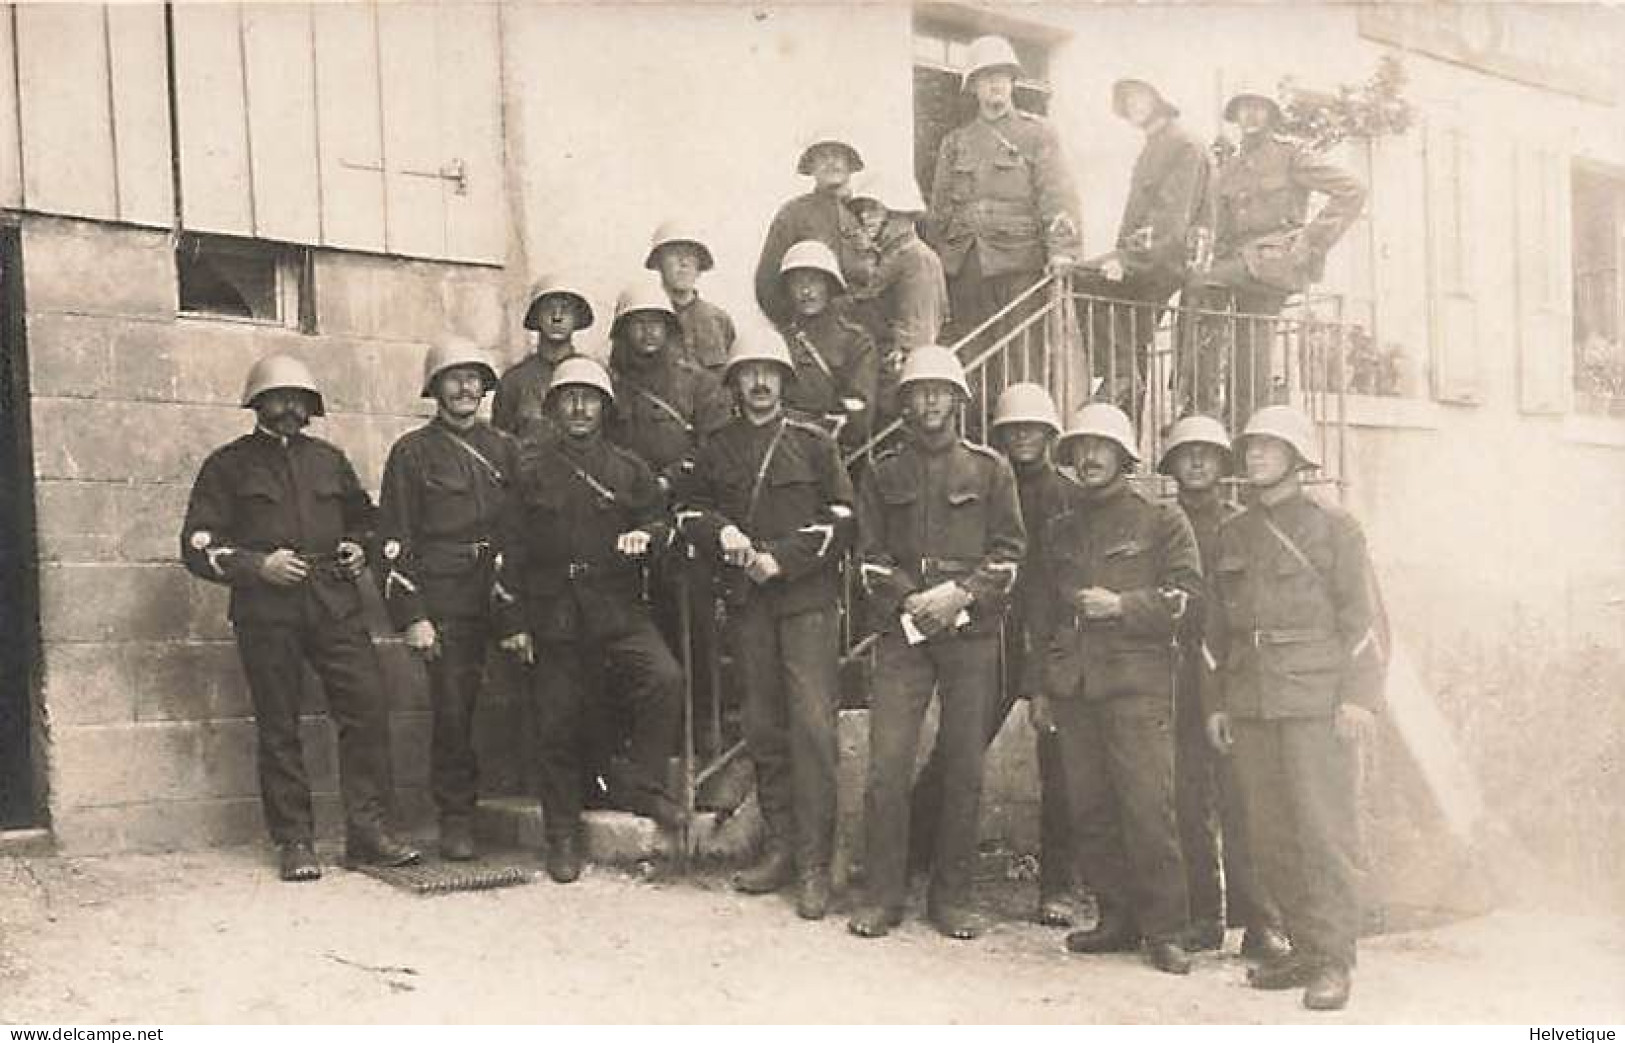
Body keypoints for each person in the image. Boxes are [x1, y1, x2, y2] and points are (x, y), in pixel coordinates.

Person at [180, 355, 419, 881]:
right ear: (257, 402)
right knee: (279, 723)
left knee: (368, 710)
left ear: (311, 407)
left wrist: (359, 546)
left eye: (299, 400)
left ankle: (368, 834)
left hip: (334, 603)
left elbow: (364, 518)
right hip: (267, 613)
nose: (290, 408)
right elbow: (197, 547)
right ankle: (294, 841)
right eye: (278, 398)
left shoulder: (329, 460)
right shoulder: (228, 465)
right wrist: (256, 565)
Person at [1203, 404, 1387, 1011]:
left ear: (1296, 459)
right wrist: (1219, 704)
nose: (1255, 455)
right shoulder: (1232, 532)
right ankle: (1304, 949)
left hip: (1315, 701)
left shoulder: (1336, 528)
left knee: (1323, 831)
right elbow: (1214, 634)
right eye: (1251, 446)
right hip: (1253, 701)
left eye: (1269, 446)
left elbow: (1367, 625)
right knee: (1269, 833)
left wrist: (1359, 699)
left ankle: (1335, 960)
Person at [847, 345, 1025, 942]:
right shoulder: (881, 470)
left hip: (969, 632)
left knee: (963, 767)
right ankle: (882, 896)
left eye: (939, 391)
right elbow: (868, 558)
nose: (929, 402)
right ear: (905, 403)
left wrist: (961, 595)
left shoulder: (990, 470)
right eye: (918, 392)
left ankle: (952, 898)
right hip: (904, 634)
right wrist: (908, 600)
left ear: (958, 401)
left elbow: (1009, 556)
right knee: (887, 768)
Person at [678, 339, 855, 920]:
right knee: (763, 727)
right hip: (749, 605)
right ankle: (780, 849)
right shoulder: (717, 448)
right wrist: (720, 531)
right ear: (735, 383)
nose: (759, 383)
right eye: (748, 374)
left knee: (812, 729)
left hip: (805, 602)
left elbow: (842, 519)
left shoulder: (813, 442)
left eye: (769, 374)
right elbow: (688, 511)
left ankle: (813, 865)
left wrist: (782, 558)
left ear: (783, 381)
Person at [499, 356, 686, 884]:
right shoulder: (530, 470)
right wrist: (512, 619)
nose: (579, 408)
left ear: (604, 408)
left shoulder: (628, 468)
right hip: (554, 610)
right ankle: (562, 835)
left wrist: (647, 537)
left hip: (617, 607)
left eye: (589, 399)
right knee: (557, 721)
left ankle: (641, 784)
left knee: (664, 679)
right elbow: (508, 547)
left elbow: (659, 518)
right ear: (555, 408)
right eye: (569, 399)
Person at [1035, 402, 1201, 975]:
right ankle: (1116, 917)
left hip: (1137, 686)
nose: (1089, 458)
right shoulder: (1059, 528)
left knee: (1149, 810)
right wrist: (1041, 689)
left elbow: (1186, 600)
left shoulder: (1162, 521)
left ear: (1124, 457)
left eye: (1101, 448)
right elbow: (1043, 613)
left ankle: (1165, 930)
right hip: (1076, 686)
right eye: (1080, 449)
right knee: (1091, 809)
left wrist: (1123, 606)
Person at [907, 383, 1078, 927]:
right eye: (1013, 429)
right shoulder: (984, 478)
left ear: (1050, 434)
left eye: (1033, 428)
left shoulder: (1068, 495)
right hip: (993, 629)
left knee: (1060, 763)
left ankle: (1057, 886)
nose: (1023, 437)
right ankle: (912, 858)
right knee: (959, 748)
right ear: (1000, 435)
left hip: (1049, 636)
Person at [376, 339, 522, 861]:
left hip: (503, 594)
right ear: (434, 388)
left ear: (485, 389)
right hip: (446, 598)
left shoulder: (507, 450)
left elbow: (523, 530)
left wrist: (521, 607)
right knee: (454, 711)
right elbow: (393, 541)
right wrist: (413, 616)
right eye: (452, 378)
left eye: (472, 378)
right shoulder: (412, 452)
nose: (464, 388)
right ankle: (456, 819)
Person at [1156, 415, 1289, 960]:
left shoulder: (1242, 525)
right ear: (1171, 465)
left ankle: (1262, 919)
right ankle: (1202, 916)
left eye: (1207, 454)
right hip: (1178, 671)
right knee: (1187, 797)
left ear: (1222, 464)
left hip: (1236, 673)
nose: (1196, 463)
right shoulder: (1157, 524)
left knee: (1246, 798)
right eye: (1186, 454)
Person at [1183, 86, 1366, 420]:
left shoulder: (1291, 155)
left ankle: (1200, 403)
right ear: (1235, 116)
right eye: (1243, 108)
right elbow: (1223, 230)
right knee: (1248, 351)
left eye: (1259, 107)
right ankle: (1227, 421)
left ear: (1271, 115)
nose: (1250, 114)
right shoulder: (1232, 166)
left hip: (1276, 260)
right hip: (1241, 264)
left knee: (1205, 288)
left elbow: (1352, 189)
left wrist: (1312, 239)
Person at [925, 35, 1080, 347]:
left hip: (1021, 263)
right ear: (973, 87)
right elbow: (939, 210)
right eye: (985, 77)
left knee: (1021, 352)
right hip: (967, 266)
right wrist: (938, 266)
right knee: (972, 350)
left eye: (1001, 75)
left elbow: (1057, 196)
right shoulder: (955, 142)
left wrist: (1061, 251)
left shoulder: (1037, 134)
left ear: (1012, 81)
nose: (994, 83)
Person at [1074, 78, 1207, 416]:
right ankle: (1124, 433)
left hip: (1162, 262)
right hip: (1149, 258)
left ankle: (1119, 376)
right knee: (1131, 343)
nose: (1133, 105)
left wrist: (1126, 262)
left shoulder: (1182, 144)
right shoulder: (1154, 145)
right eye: (1128, 100)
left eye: (1140, 97)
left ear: (1160, 98)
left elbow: (1171, 220)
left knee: (1080, 278)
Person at [844, 170, 949, 422]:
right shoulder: (892, 256)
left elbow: (918, 335)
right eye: (864, 211)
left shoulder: (917, 259)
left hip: (897, 380)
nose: (865, 218)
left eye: (874, 210)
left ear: (898, 214)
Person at [755, 132, 875, 326]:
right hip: (812, 330)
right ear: (810, 166)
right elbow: (767, 283)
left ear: (850, 163)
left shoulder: (869, 213)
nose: (831, 162)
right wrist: (793, 328)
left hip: (865, 332)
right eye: (822, 156)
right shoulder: (793, 214)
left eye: (837, 154)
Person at [776, 239, 879, 449]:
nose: (806, 291)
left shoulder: (855, 341)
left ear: (830, 285)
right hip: (782, 445)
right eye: (798, 282)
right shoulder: (778, 340)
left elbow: (858, 412)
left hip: (833, 448)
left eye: (814, 281)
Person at [492, 275, 594, 441]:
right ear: (536, 317)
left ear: (577, 318)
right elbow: (501, 443)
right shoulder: (514, 380)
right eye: (549, 309)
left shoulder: (592, 374)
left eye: (566, 309)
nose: (557, 317)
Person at [646, 220, 737, 378]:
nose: (683, 263)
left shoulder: (719, 320)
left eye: (691, 255)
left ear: (700, 266)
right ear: (659, 263)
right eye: (674, 254)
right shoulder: (643, 318)